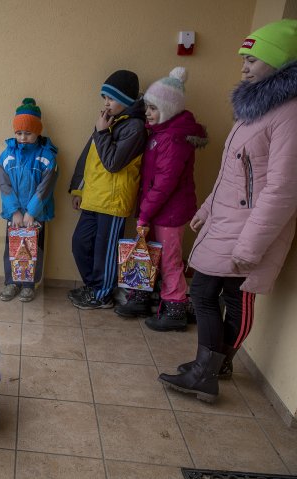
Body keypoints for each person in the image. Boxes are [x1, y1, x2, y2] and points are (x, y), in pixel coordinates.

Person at [159, 19, 297, 403]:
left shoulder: (290, 114)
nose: (244, 65)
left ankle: (211, 368)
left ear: (281, 63)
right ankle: (209, 365)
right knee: (203, 291)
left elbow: (283, 188)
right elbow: (232, 173)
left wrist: (251, 247)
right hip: (226, 221)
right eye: (244, 58)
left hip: (253, 228)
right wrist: (206, 208)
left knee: (235, 297)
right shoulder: (255, 107)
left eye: (254, 58)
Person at [114, 67, 208, 330]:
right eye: (147, 108)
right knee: (146, 252)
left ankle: (176, 306)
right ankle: (142, 296)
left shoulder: (174, 138)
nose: (148, 113)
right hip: (156, 209)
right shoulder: (159, 133)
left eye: (154, 108)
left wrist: (145, 213)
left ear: (169, 108)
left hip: (169, 211)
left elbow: (165, 182)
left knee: (169, 258)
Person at [68, 70, 147, 309]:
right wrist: (78, 189)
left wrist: (102, 131)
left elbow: (113, 163)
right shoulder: (107, 122)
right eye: (104, 98)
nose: (106, 104)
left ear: (126, 100)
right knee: (80, 243)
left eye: (110, 99)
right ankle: (95, 287)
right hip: (94, 198)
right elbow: (88, 157)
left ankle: (102, 294)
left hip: (113, 203)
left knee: (105, 252)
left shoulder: (134, 128)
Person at [0, 98, 59, 303]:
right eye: (18, 133)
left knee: (34, 250)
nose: (23, 137)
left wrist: (31, 212)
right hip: (14, 216)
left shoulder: (47, 157)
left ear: (37, 132)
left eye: (28, 133)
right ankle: (11, 282)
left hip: (36, 215)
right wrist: (15, 211)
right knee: (12, 248)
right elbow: (4, 185)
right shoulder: (6, 156)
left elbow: (45, 188)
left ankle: (28, 284)